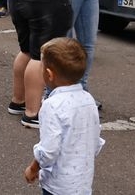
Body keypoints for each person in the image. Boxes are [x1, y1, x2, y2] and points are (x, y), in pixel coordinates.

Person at [24, 38, 104, 193]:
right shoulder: (88, 99)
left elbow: (49, 151)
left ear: (49, 74)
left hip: (58, 186)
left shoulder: (52, 105)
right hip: (82, 183)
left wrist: (33, 168)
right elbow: (94, 139)